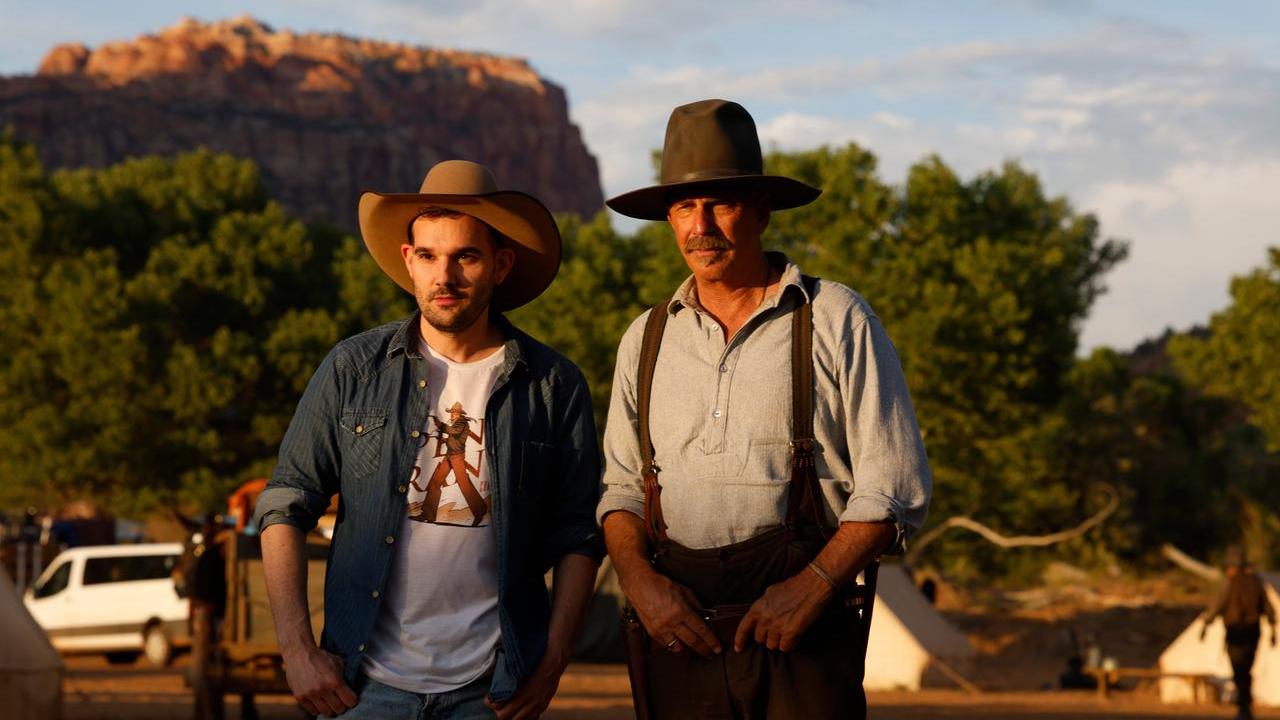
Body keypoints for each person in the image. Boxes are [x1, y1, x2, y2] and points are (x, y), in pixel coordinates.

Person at [597, 99, 932, 719]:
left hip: (803, 635)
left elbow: (894, 491)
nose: (701, 226)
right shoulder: (645, 339)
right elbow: (620, 490)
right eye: (683, 207)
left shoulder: (835, 319)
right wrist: (640, 584)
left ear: (761, 211)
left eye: (720, 203)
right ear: (668, 219)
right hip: (679, 635)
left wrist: (814, 587)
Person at [254, 160, 603, 720]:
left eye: (466, 256)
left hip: (491, 692)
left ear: (500, 264)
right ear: (408, 262)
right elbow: (284, 504)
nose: (445, 277)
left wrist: (552, 664)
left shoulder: (552, 384)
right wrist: (296, 651)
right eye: (428, 256)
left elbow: (579, 535)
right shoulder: (353, 368)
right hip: (361, 688)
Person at [1200, 546, 1276, 720]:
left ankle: (1244, 707)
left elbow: (1217, 606)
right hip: (1253, 633)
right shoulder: (1256, 582)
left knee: (1239, 669)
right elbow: (1269, 610)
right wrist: (1273, 632)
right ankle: (1245, 706)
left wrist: (1206, 624)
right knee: (1246, 669)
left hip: (1236, 634)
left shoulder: (1229, 583)